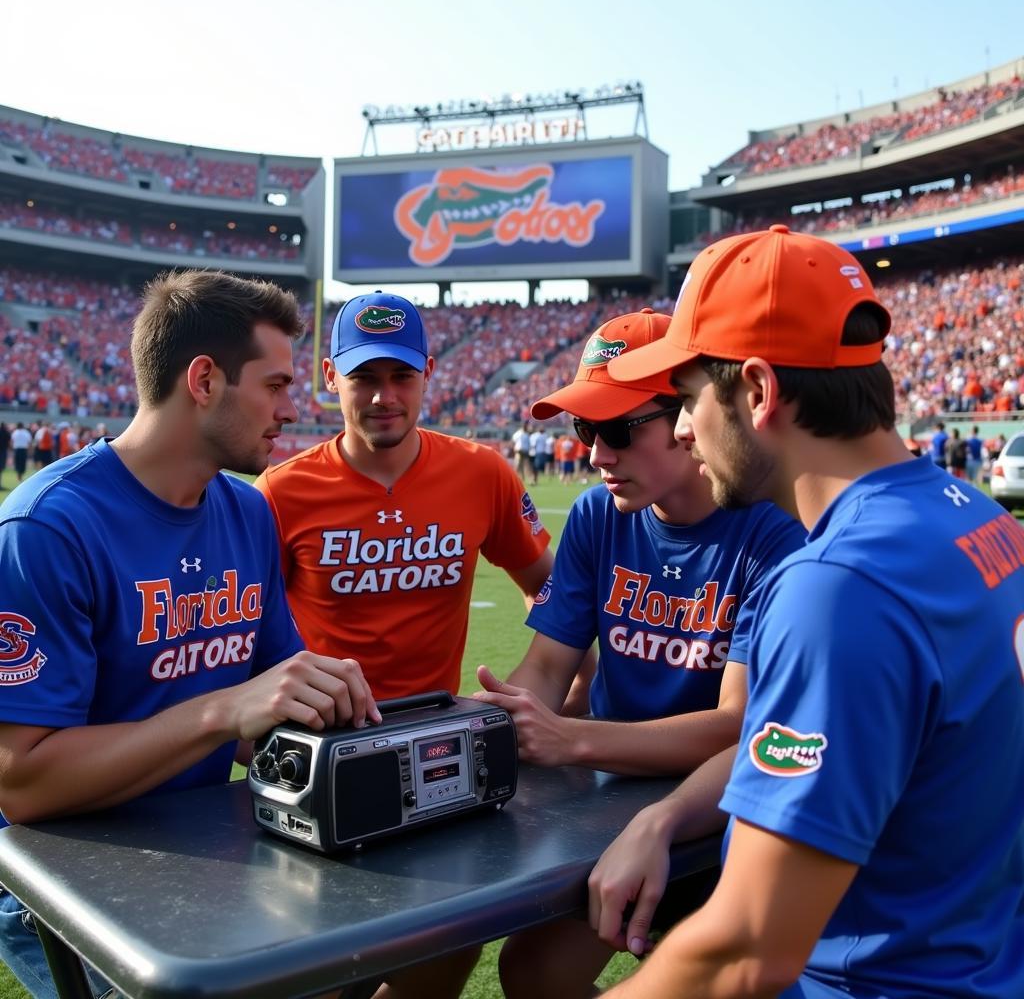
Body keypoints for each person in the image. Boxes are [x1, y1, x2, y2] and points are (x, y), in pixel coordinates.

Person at [597, 224, 1023, 998]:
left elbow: (748, 951)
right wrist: (666, 815)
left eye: (690, 398)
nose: (685, 429)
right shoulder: (982, 518)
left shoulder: (838, 585)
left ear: (756, 391)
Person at [0, 270, 380, 999]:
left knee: (369, 960)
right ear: (204, 379)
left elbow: (266, 713)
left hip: (201, 852)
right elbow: (22, 783)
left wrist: (353, 723)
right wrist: (222, 711)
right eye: (274, 385)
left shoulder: (247, 512)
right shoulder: (48, 527)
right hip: (69, 886)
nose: (290, 409)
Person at [474, 310, 805, 999]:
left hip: (729, 818)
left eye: (619, 430)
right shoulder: (599, 517)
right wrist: (489, 714)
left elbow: (738, 726)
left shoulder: (772, 533)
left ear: (687, 416)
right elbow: (545, 668)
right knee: (531, 971)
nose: (597, 455)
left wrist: (575, 740)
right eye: (583, 431)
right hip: (611, 804)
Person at [253, 291, 553, 999]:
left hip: (442, 762)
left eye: (401, 377)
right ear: (331, 377)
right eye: (364, 378)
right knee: (317, 974)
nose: (384, 397)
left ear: (427, 374)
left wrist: (555, 683)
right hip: (324, 764)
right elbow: (246, 639)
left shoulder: (483, 473)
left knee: (437, 962)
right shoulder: (280, 492)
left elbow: (550, 589)